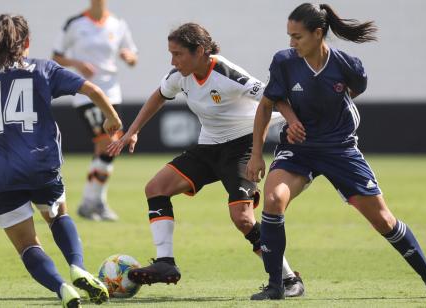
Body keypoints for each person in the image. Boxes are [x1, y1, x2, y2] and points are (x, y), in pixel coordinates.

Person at [247, 3, 426, 300]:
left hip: (339, 149)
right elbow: (269, 103)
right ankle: (277, 285)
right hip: (298, 149)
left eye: (297, 36)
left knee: (383, 220)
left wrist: (330, 113)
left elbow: (354, 90)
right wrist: (258, 152)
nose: (291, 43)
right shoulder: (284, 62)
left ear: (318, 34)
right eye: (289, 36)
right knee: (274, 199)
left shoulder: (348, 66)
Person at [107, 22, 305, 297]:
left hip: (242, 147)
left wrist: (291, 121)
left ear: (200, 51)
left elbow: (272, 96)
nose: (172, 61)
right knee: (155, 188)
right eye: (171, 54)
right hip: (209, 147)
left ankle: (289, 279)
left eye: (178, 54)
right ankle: (166, 263)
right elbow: (158, 96)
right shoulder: (180, 75)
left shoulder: (227, 74)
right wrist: (131, 132)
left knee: (243, 218)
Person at [0, 14, 122, 307]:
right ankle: (77, 267)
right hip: (40, 164)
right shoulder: (43, 69)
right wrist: (111, 117)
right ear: (27, 42)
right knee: (57, 216)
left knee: (28, 244)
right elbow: (91, 89)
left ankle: (61, 288)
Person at [53, 0, 138, 222]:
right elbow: (57, 56)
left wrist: (129, 58)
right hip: (87, 93)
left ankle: (92, 202)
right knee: (106, 144)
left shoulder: (118, 23)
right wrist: (77, 64)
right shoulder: (75, 23)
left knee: (108, 148)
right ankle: (93, 202)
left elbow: (132, 54)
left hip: (112, 93)